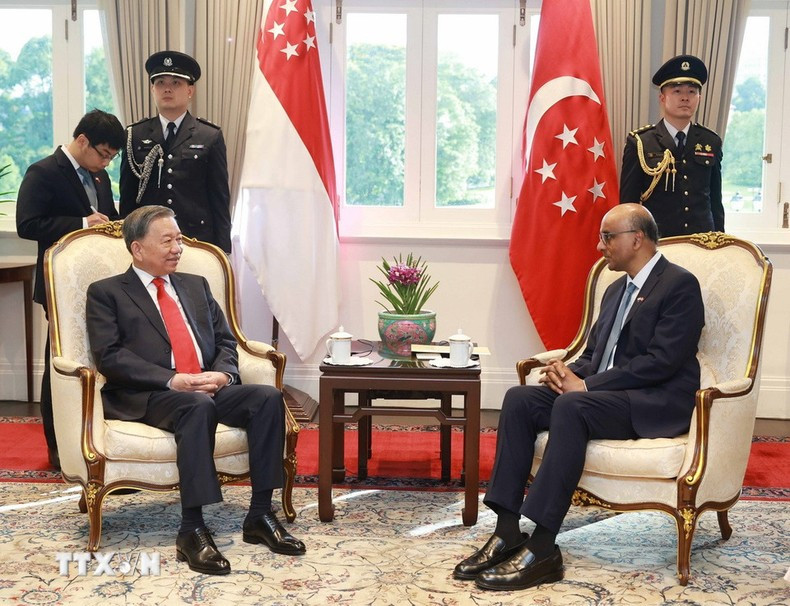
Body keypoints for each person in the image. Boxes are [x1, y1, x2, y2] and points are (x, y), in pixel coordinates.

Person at [454, 203, 704, 591]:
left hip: (651, 401)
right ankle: (507, 530)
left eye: (608, 236)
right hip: (603, 397)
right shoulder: (616, 288)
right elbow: (595, 355)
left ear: (637, 239)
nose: (600, 245)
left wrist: (585, 386)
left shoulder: (679, 285)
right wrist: (566, 373)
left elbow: (662, 362)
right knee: (520, 399)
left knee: (573, 404)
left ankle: (543, 547)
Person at [85, 205, 304, 575]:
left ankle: (260, 514)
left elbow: (226, 341)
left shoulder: (195, 285)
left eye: (179, 239)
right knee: (195, 407)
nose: (177, 248)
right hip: (152, 393)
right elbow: (110, 356)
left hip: (206, 384)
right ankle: (192, 530)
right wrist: (171, 380)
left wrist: (224, 376)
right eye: (167, 241)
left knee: (267, 398)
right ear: (137, 248)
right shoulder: (107, 293)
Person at [16, 109, 124, 471]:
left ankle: (100, 442)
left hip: (101, 285)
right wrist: (81, 223)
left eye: (110, 158)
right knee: (62, 365)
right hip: (60, 285)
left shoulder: (101, 177)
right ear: (82, 141)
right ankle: (59, 448)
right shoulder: (43, 172)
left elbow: (107, 217)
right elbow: (27, 224)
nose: (105, 163)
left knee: (103, 359)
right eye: (103, 154)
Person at [120, 50, 231, 252]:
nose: (167, 89)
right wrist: (125, 245)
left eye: (176, 83)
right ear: (152, 89)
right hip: (148, 243)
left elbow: (220, 200)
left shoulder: (209, 135)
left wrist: (223, 251)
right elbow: (128, 199)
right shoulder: (134, 135)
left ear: (190, 90)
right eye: (160, 82)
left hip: (196, 240)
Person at [620, 54, 724, 236]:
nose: (685, 98)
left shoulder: (710, 141)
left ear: (699, 98)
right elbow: (629, 203)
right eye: (677, 91)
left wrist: (720, 239)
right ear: (662, 98)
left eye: (691, 92)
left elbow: (715, 200)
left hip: (701, 241)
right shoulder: (641, 142)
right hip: (659, 240)